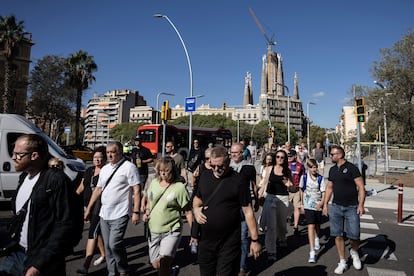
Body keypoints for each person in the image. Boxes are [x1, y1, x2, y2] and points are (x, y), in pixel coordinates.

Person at [0, 134, 77, 275]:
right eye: (13, 153)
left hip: (42, 261)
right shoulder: (24, 177)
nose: (13, 158)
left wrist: (39, 265)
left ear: (34, 155)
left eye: (18, 154)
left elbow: (66, 226)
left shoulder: (57, 180)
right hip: (17, 253)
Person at [193, 146, 261, 275]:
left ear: (228, 161)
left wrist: (255, 240)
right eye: (213, 166)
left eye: (220, 166)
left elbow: (248, 211)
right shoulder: (204, 176)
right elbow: (197, 199)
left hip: (229, 242)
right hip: (206, 242)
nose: (216, 169)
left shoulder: (238, 180)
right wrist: (196, 209)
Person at [84, 141, 141, 276]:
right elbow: (98, 190)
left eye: (112, 152)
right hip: (104, 214)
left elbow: (137, 190)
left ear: (120, 152)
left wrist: (136, 212)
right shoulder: (105, 169)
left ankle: (122, 269)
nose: (109, 155)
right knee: (109, 248)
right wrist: (88, 209)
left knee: (114, 244)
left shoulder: (129, 167)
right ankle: (112, 272)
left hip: (121, 213)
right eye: (108, 152)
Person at [143, 156, 193, 275]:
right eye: (161, 170)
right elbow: (150, 201)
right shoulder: (154, 183)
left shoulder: (179, 188)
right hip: (153, 229)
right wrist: (147, 211)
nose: (163, 173)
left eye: (166, 170)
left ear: (172, 170)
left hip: (171, 229)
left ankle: (167, 270)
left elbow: (188, 211)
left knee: (164, 262)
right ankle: (171, 271)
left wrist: (194, 233)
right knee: (155, 264)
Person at [322, 145, 365, 274]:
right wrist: (325, 204)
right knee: (338, 235)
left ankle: (354, 251)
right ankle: (342, 261)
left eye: (332, 154)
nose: (331, 156)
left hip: (352, 207)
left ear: (340, 155)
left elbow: (361, 188)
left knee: (354, 235)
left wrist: (361, 204)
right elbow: (329, 188)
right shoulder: (332, 170)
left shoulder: (352, 168)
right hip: (336, 207)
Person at [75, 146, 107, 274]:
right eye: (95, 158)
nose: (97, 160)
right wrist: (73, 197)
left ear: (104, 159)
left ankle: (86, 265)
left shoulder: (106, 172)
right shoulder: (89, 170)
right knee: (97, 232)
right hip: (87, 205)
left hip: (100, 207)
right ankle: (105, 255)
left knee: (92, 232)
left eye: (100, 158)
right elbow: (82, 186)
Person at [258, 149, 293, 262]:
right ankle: (271, 250)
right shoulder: (269, 168)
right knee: (271, 226)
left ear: (285, 159)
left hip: (283, 198)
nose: (279, 159)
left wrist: (289, 184)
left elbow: (293, 187)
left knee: (282, 224)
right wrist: (260, 194)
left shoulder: (287, 171)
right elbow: (264, 182)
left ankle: (282, 238)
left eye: (282, 157)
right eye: (277, 157)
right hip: (270, 198)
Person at [229, 143, 258, 276]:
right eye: (232, 152)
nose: (234, 155)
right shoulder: (226, 167)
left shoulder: (249, 167)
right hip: (229, 207)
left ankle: (242, 267)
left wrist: (256, 200)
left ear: (242, 153)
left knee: (242, 237)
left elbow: (254, 185)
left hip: (245, 206)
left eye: (236, 152)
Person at [299, 158, 326, 263]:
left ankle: (316, 238)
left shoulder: (320, 179)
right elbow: (301, 190)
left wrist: (322, 203)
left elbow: (323, 192)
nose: (314, 169)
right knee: (310, 225)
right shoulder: (304, 177)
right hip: (307, 204)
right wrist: (301, 203)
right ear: (308, 168)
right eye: (312, 167)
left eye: (315, 167)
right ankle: (312, 252)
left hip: (317, 204)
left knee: (317, 224)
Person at [287, 149, 305, 235]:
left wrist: (303, 189)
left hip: (297, 189)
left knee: (296, 208)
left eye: (291, 156)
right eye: (288, 156)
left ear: (295, 156)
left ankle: (296, 227)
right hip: (287, 190)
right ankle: (290, 217)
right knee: (286, 208)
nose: (289, 158)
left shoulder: (300, 166)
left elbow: (303, 177)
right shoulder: (285, 165)